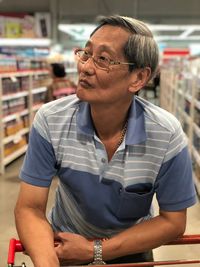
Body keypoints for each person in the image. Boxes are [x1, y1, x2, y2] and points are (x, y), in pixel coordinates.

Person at [15, 15, 197, 267]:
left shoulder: (166, 134)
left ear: (138, 78)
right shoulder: (51, 120)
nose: (85, 67)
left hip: (133, 248)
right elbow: (30, 208)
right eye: (86, 53)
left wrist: (95, 251)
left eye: (103, 59)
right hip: (65, 244)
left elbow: (173, 221)